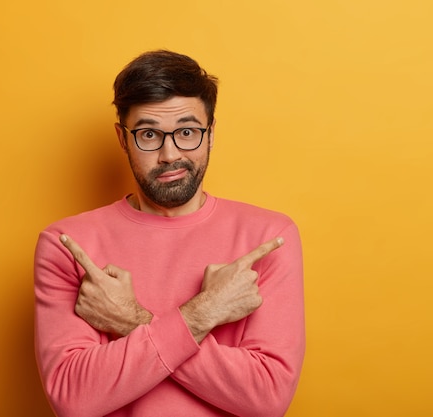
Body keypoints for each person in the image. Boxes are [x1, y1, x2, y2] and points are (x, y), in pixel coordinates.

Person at [34, 50, 305, 417]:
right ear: (122, 138)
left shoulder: (269, 237)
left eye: (188, 132)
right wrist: (203, 314)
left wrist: (130, 321)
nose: (169, 153)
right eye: (148, 134)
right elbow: (74, 400)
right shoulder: (68, 245)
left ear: (211, 134)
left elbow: (266, 398)